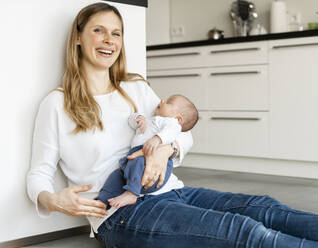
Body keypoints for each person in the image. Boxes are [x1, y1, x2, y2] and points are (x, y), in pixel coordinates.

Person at [26, 2, 318, 247]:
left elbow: (181, 132)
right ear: (77, 38)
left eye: (116, 33)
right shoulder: (57, 103)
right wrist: (52, 200)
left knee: (266, 209)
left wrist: (166, 150)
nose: (108, 40)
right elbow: (39, 172)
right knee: (247, 233)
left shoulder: (135, 89)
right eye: (98, 31)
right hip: (120, 215)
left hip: (174, 190)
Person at [96, 94, 198, 209]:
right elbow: (130, 121)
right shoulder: (152, 119)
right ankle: (102, 201)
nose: (162, 100)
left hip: (150, 161)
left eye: (169, 102)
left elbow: (173, 130)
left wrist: (158, 139)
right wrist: (138, 118)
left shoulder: (170, 123)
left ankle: (132, 194)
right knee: (117, 176)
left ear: (178, 118)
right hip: (134, 160)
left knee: (138, 164)